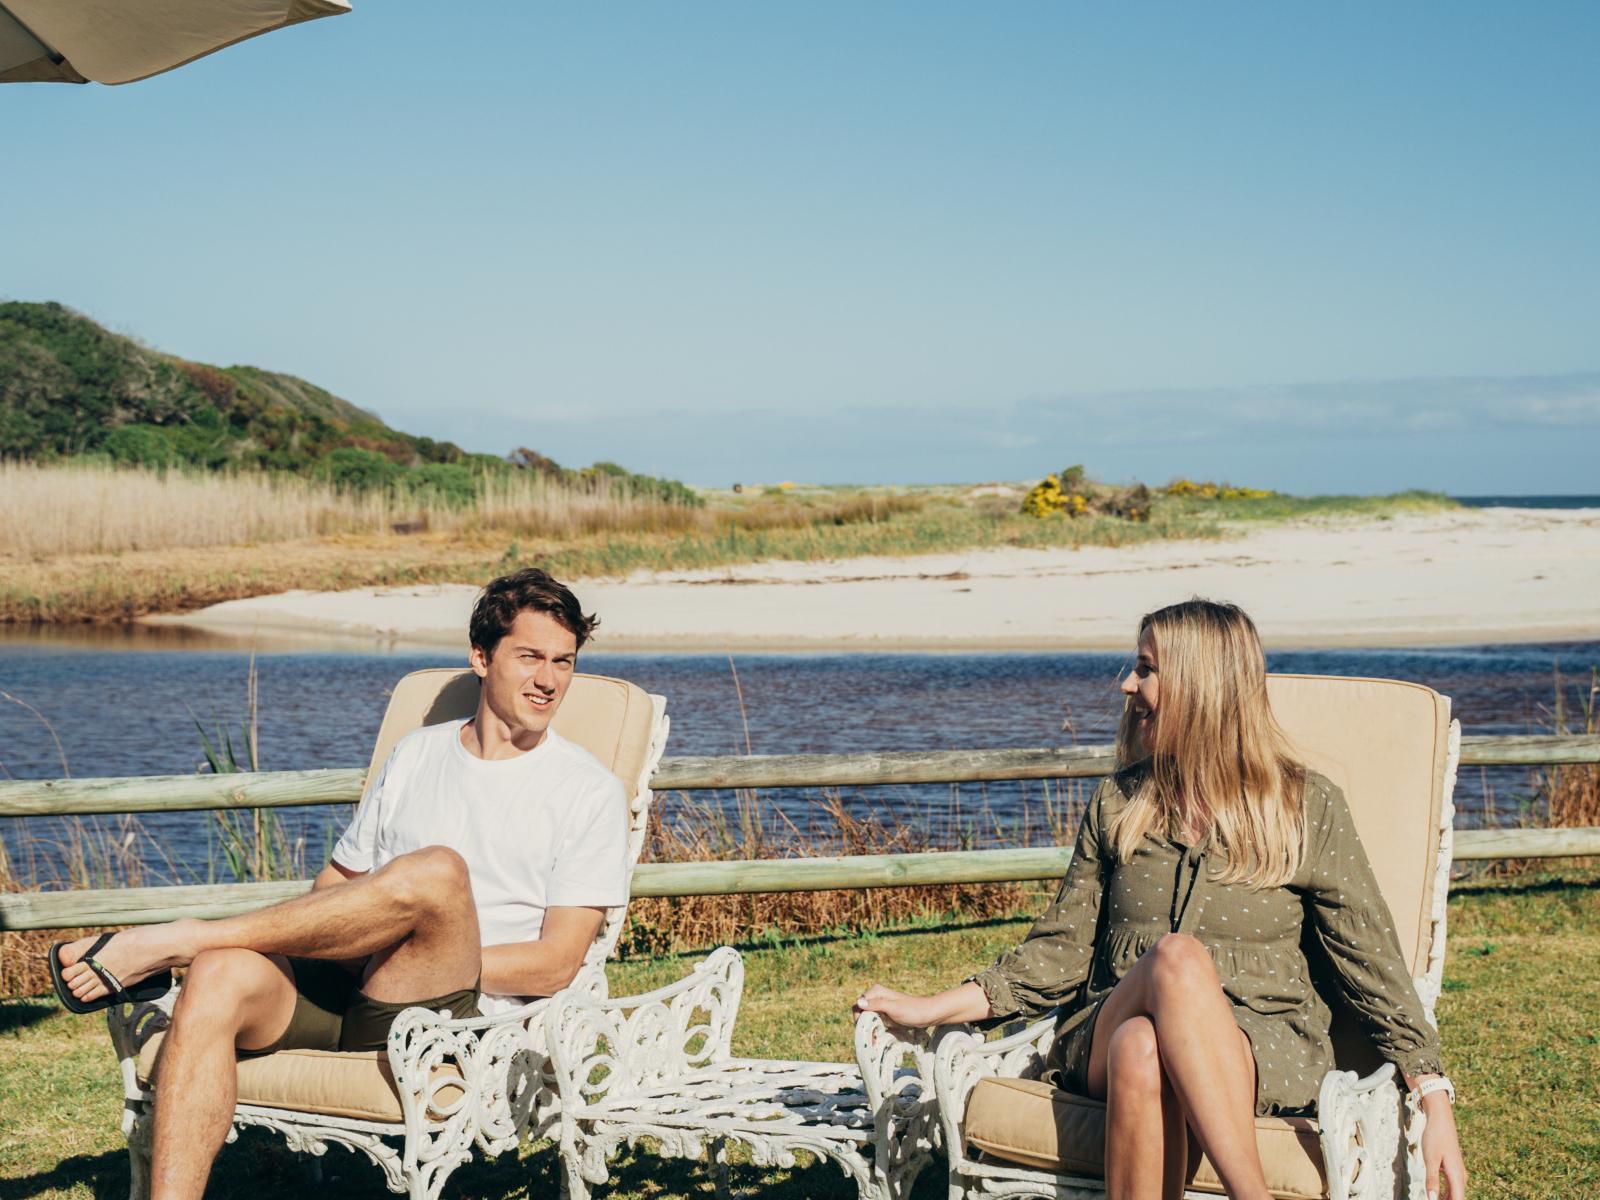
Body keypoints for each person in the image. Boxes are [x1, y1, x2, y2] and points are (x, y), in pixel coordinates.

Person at [855, 599, 1467, 1200]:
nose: (1127, 684)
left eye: (1146, 668)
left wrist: (1431, 1092)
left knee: (1144, 1046)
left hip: (1259, 1039)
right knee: (1173, 963)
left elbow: (1369, 953)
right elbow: (1059, 951)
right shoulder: (1120, 803)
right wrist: (936, 1007)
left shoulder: (1303, 806)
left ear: (1202, 685)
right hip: (1104, 1020)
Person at [51, 567, 630, 1200]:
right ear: (481, 657)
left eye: (563, 662)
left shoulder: (585, 790)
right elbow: (336, 885)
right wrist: (337, 946)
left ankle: (176, 940)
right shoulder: (416, 755)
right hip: (350, 981)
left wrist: (410, 950)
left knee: (438, 870)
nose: (548, 680)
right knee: (218, 972)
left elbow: (555, 963)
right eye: (530, 657)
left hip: (445, 1014)